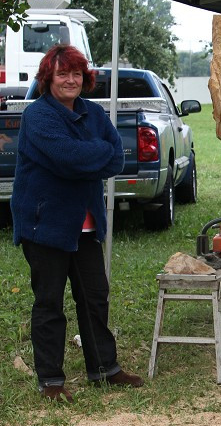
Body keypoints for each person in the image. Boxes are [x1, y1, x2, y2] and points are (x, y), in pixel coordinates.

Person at [11, 44, 144, 402]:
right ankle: (51, 380)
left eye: (76, 74)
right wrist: (91, 154)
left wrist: (88, 156)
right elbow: (68, 158)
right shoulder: (38, 116)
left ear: (84, 79)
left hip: (85, 225)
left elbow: (115, 158)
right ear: (48, 79)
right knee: (49, 302)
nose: (70, 80)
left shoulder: (92, 113)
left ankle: (105, 368)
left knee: (95, 297)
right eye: (62, 74)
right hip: (45, 223)